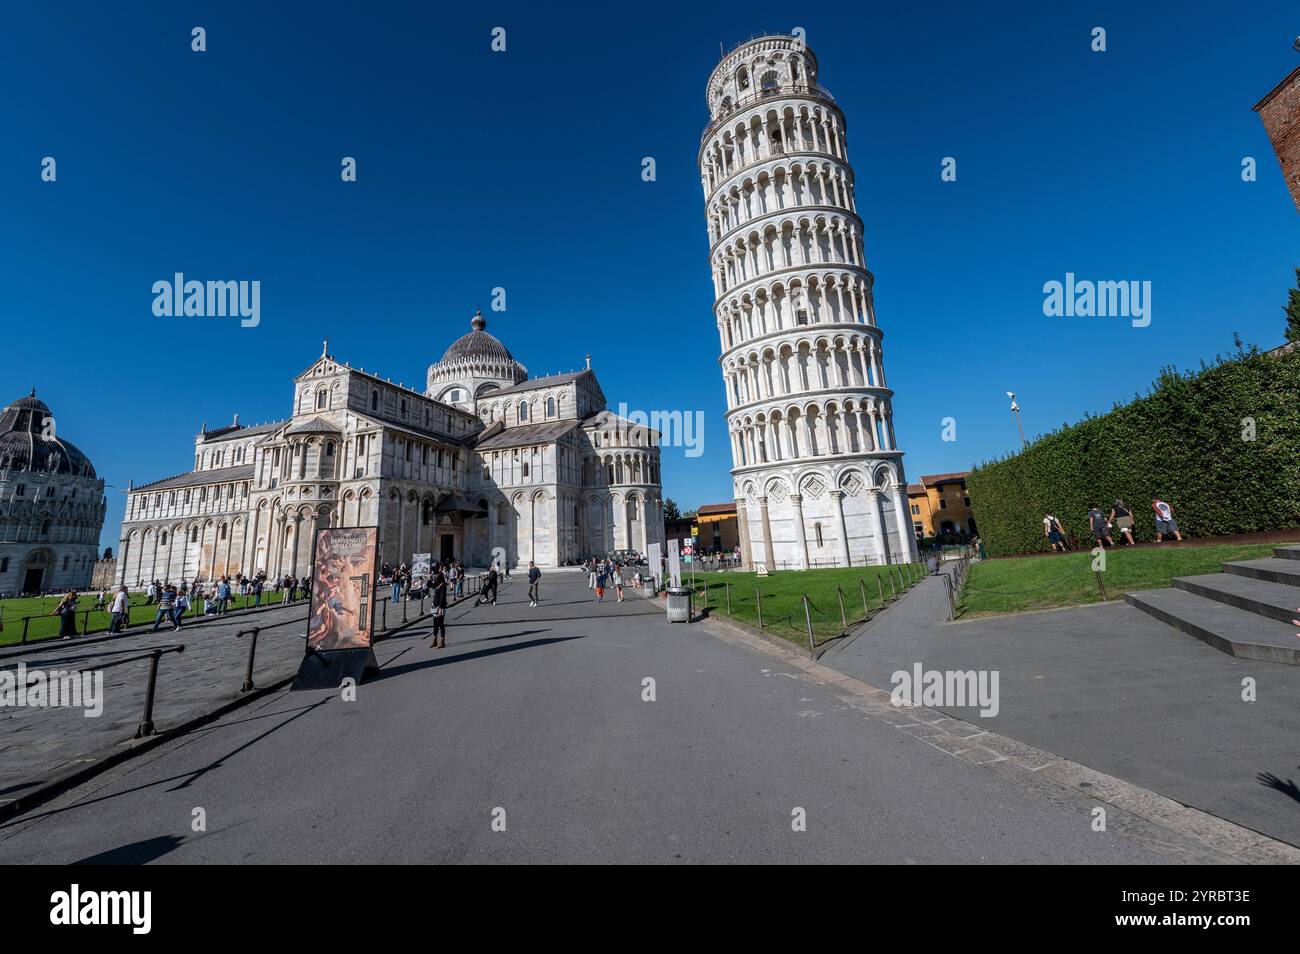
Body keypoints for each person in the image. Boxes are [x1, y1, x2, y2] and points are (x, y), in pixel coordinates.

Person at [429, 566, 448, 649]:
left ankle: (442, 641)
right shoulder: (436, 585)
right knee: (435, 624)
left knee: (441, 624)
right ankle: (434, 640)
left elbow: (442, 597)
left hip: (440, 607)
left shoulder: (443, 585)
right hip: (434, 606)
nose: (435, 578)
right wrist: (429, 578)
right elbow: (429, 585)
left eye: (436, 577)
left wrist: (440, 608)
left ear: (439, 578)